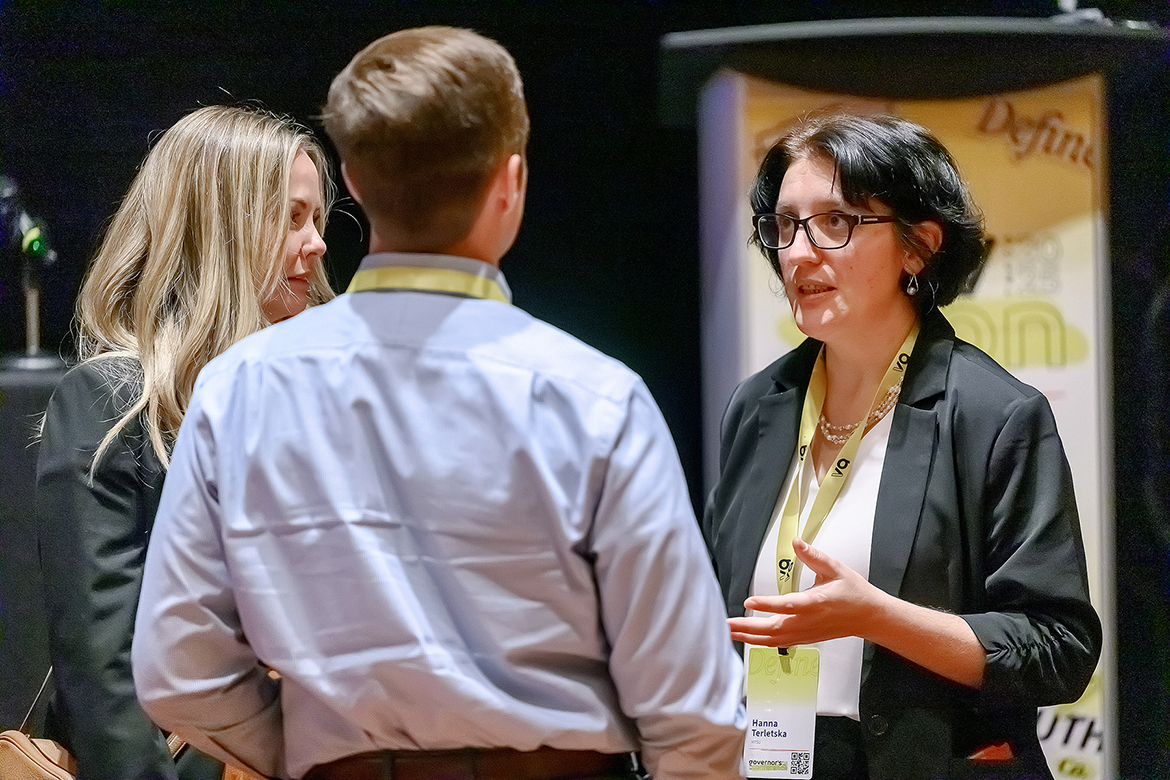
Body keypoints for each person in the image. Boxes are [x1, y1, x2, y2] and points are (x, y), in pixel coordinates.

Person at [130, 26, 745, 780]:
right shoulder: (596, 401)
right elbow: (694, 713)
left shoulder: (240, 388)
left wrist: (317, 759)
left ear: (352, 181)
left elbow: (179, 673)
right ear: (511, 181)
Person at [702, 113, 1101, 780]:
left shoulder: (994, 414)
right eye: (784, 225)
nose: (798, 253)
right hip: (775, 762)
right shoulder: (759, 406)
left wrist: (875, 618)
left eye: (836, 222)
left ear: (917, 245)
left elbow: (1058, 648)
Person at [36, 104, 334, 780]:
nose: (316, 244)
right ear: (220, 230)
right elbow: (102, 675)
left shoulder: (327, 399)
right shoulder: (111, 402)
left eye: (315, 219)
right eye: (291, 218)